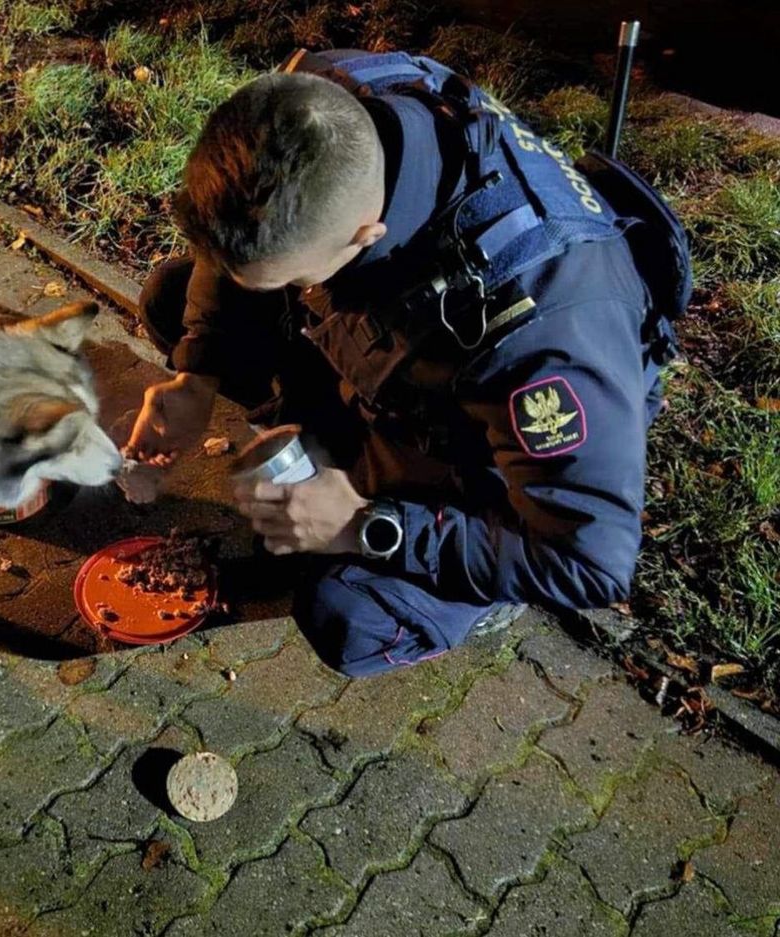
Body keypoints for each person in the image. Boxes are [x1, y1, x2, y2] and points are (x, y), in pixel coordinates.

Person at [123, 48, 691, 677]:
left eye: (293, 277)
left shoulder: (548, 337)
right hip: (400, 349)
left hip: (480, 444)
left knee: (350, 618)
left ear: (366, 233)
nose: (260, 286)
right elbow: (242, 242)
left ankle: (473, 601)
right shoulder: (317, 97)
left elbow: (590, 565)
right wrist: (196, 375)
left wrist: (368, 525)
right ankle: (325, 434)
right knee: (175, 300)